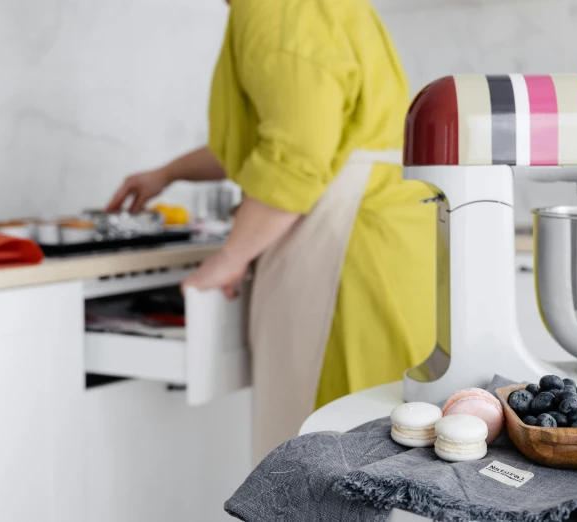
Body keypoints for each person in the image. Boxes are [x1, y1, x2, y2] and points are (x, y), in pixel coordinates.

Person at [107, 0, 437, 462]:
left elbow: (297, 156)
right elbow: (287, 135)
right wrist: (169, 172)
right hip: (388, 235)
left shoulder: (278, 9)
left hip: (350, 244)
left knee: (334, 444)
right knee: (384, 441)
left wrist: (229, 258)